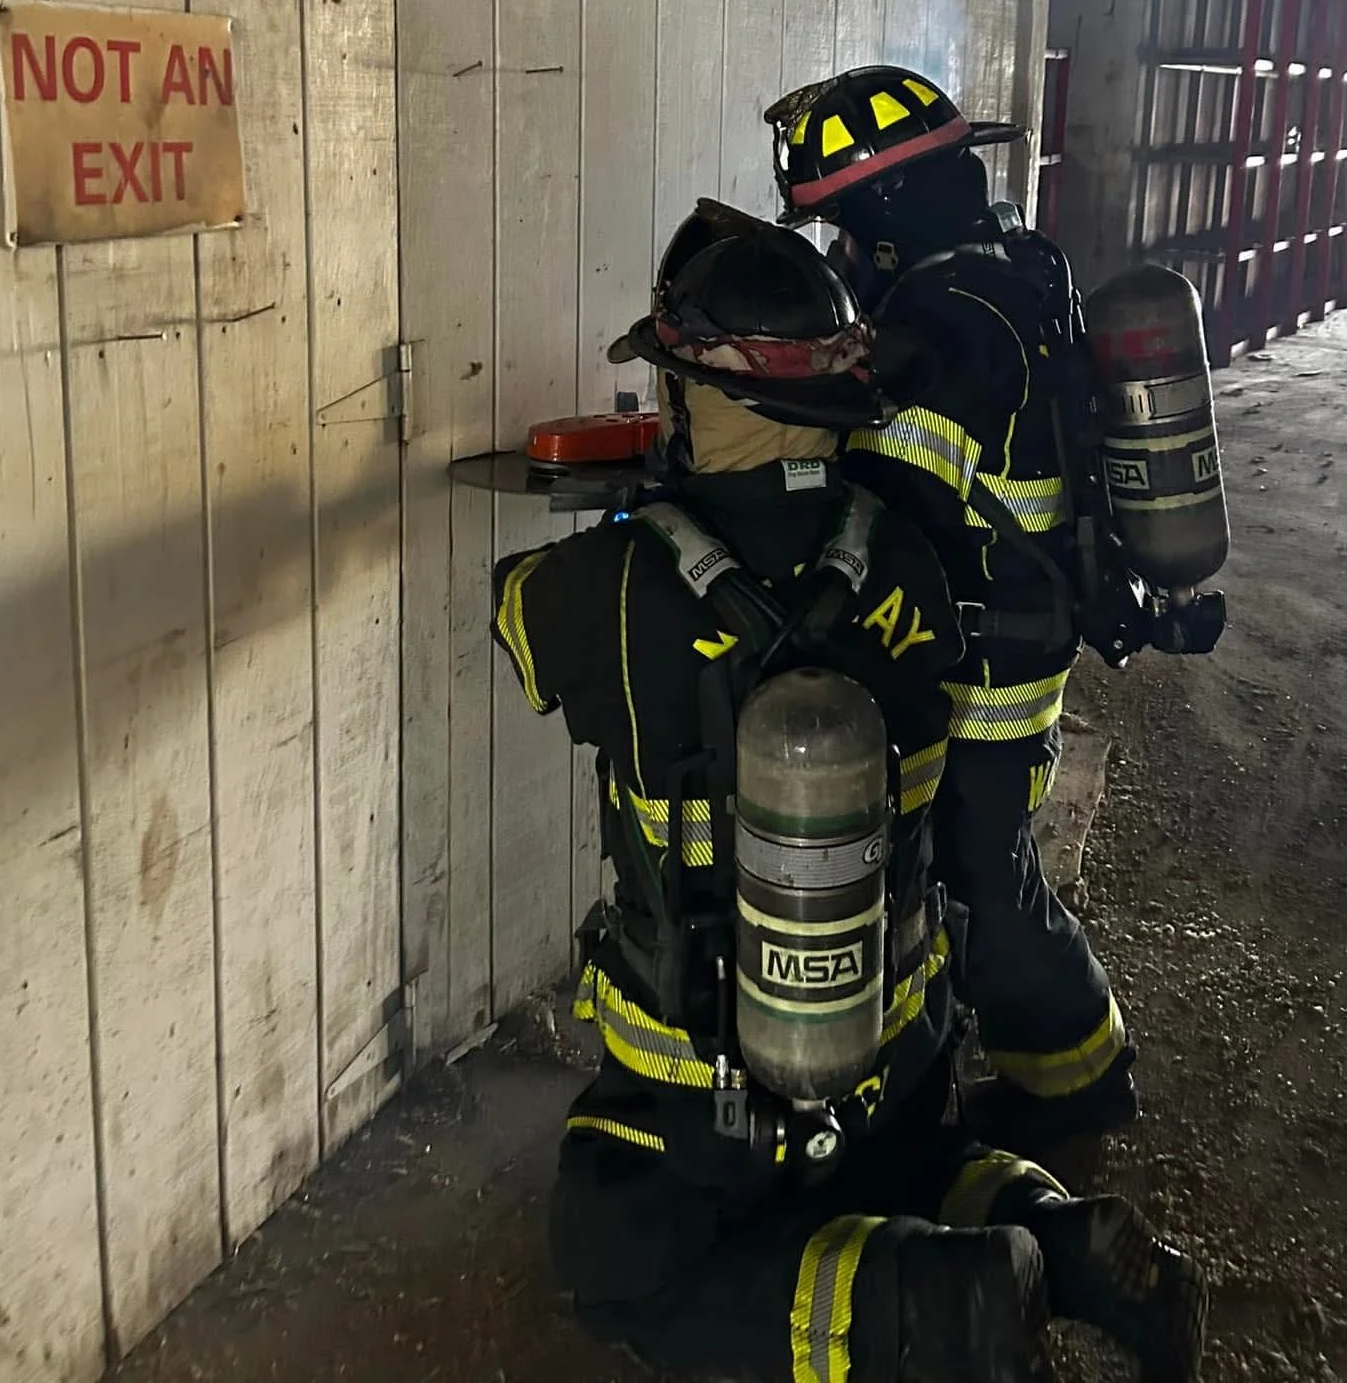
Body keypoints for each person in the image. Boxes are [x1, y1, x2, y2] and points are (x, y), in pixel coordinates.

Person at [492, 204, 1207, 1383]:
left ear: (705, 401)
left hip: (718, 1085)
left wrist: (648, 512)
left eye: (679, 382)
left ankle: (934, 1308)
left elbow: (514, 619)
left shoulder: (610, 589)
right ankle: (1060, 1235)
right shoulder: (911, 554)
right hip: (902, 1050)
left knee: (615, 1248)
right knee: (915, 1162)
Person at [764, 67, 1172, 1183]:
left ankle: (1083, 1076)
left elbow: (887, 486)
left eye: (843, 221)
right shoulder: (1009, 263)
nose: (839, 250)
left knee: (973, 864)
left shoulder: (942, 325)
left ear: (891, 211)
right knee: (964, 861)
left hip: (990, 646)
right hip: (1013, 616)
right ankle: (1048, 1067)